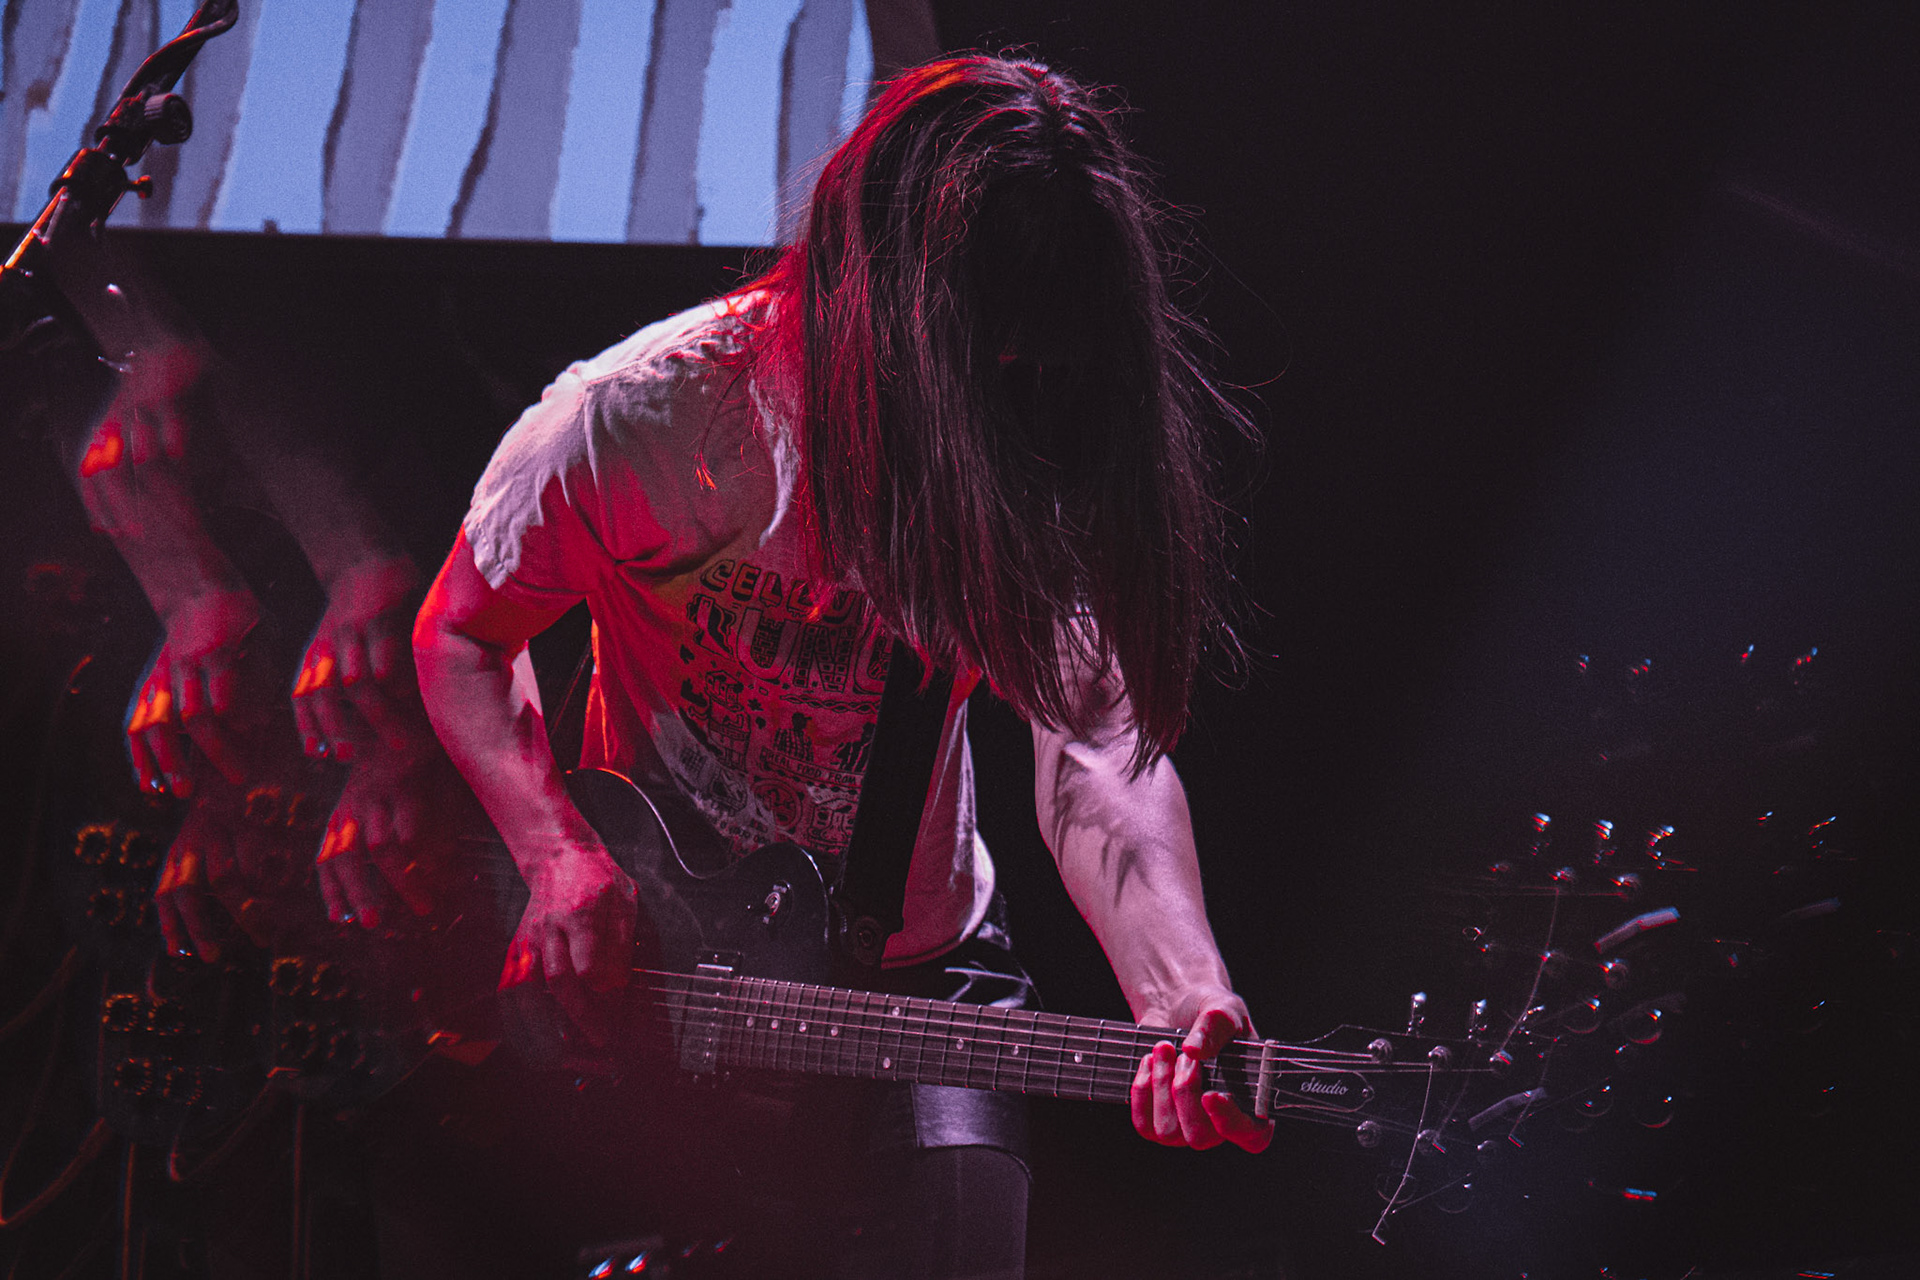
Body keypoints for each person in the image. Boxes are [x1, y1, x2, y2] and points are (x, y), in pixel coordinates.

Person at [414, 55, 1270, 1278]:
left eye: (1033, 359)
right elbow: (461, 633)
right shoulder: (642, 419)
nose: (1005, 391)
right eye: (986, 354)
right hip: (667, 978)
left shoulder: (1030, 455)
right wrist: (556, 853)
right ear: (878, 294)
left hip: (918, 977)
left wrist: (1182, 990)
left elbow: (1094, 751)